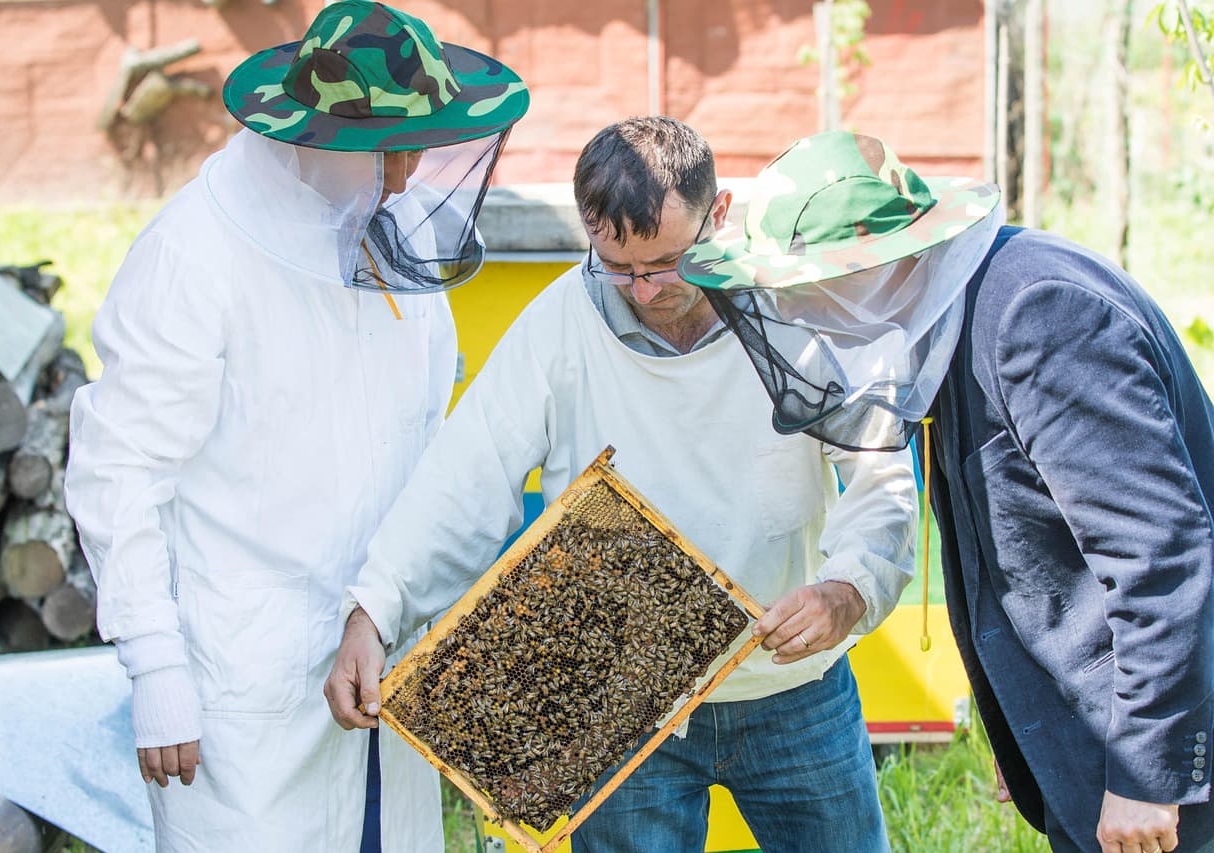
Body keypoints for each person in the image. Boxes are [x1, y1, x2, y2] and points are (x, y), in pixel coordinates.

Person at [323, 116, 918, 853]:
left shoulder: (796, 306)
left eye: (668, 262)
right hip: (621, 702)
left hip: (795, 690)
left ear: (720, 213)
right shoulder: (557, 327)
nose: (643, 289)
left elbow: (880, 469)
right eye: (618, 266)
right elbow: (462, 482)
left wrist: (849, 588)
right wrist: (373, 610)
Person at [64, 2, 529, 850]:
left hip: (391, 660)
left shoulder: (396, 253)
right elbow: (116, 470)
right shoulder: (193, 257)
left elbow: (428, 446)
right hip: (248, 690)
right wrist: (155, 662)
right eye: (387, 152)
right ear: (313, 143)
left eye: (416, 146)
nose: (406, 173)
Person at [678, 129, 1214, 853]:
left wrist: (1148, 774)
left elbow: (1163, 555)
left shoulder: (1038, 315)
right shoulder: (944, 332)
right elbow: (1015, 555)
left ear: (875, 268)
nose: (797, 317)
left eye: (800, 293)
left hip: (1168, 762)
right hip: (1090, 735)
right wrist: (1019, 716)